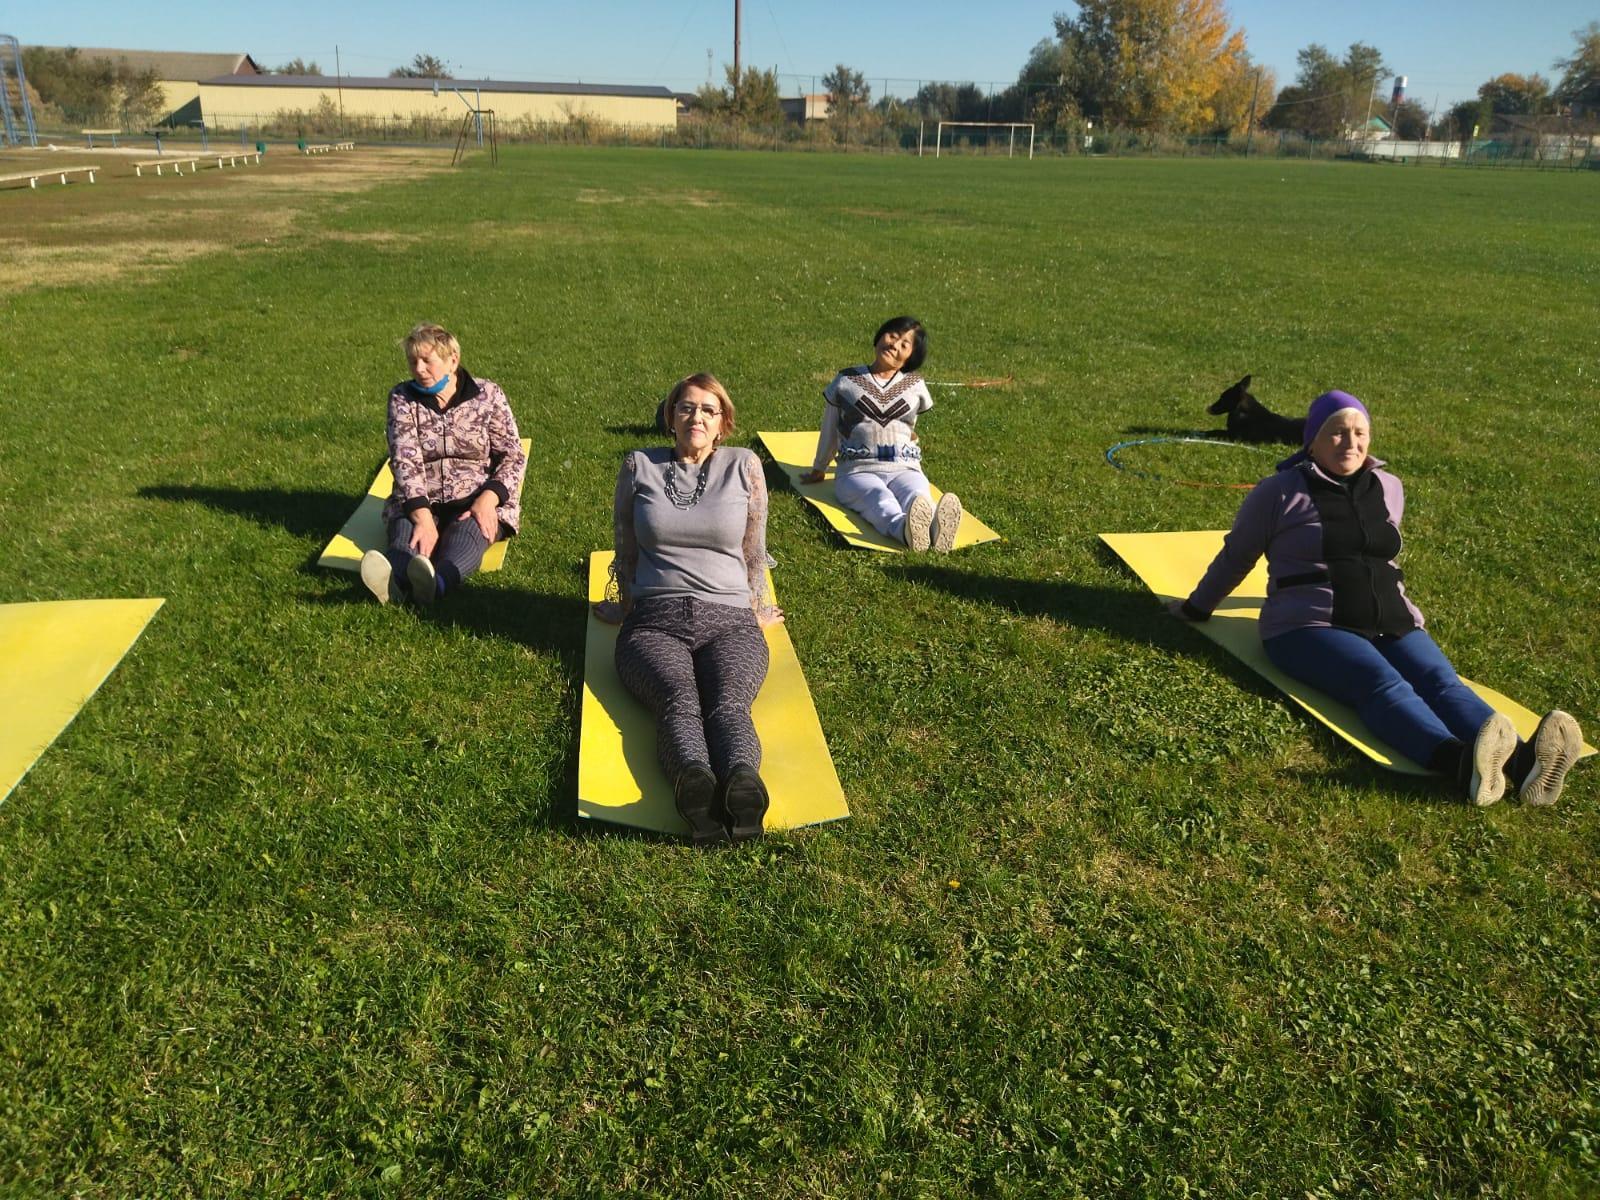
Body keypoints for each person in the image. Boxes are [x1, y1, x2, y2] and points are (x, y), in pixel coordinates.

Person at [1170, 389, 1584, 807]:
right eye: (1336, 433)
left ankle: (1523, 763)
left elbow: (1378, 558)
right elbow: (1236, 555)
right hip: (1310, 625)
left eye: (1359, 432)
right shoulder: (1278, 492)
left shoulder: (1388, 486)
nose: (1350, 443)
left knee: (1442, 682)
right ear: (1311, 440)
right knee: (1383, 683)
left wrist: (1403, 612)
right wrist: (1198, 606)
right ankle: (1459, 763)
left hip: (1390, 616)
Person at [595, 373, 784, 846]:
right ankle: (694, 784)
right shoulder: (639, 465)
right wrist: (622, 605)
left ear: (723, 422)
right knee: (678, 698)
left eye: (707, 409)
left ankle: (742, 788)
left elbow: (753, 549)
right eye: (685, 407)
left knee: (728, 703)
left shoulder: (744, 465)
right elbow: (625, 545)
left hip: (731, 621)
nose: (695, 416)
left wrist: (757, 607)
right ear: (670, 417)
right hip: (654, 622)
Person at [359, 323, 527, 606]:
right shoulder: (402, 398)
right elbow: (404, 460)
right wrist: (423, 517)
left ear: (453, 360)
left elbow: (513, 453)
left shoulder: (488, 395)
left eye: (427, 361)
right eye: (413, 361)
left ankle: (437, 583)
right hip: (419, 498)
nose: (419, 369)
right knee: (408, 538)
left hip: (474, 496)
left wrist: (488, 499)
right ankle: (394, 580)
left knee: (469, 534)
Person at [800, 316, 962, 552]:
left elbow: (908, 428)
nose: (895, 345)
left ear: (911, 358)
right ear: (879, 337)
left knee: (917, 494)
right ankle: (904, 531)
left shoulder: (914, 385)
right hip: (858, 470)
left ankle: (937, 529)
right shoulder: (847, 380)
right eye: (892, 335)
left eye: (904, 345)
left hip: (904, 467)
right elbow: (830, 428)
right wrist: (819, 467)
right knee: (879, 499)